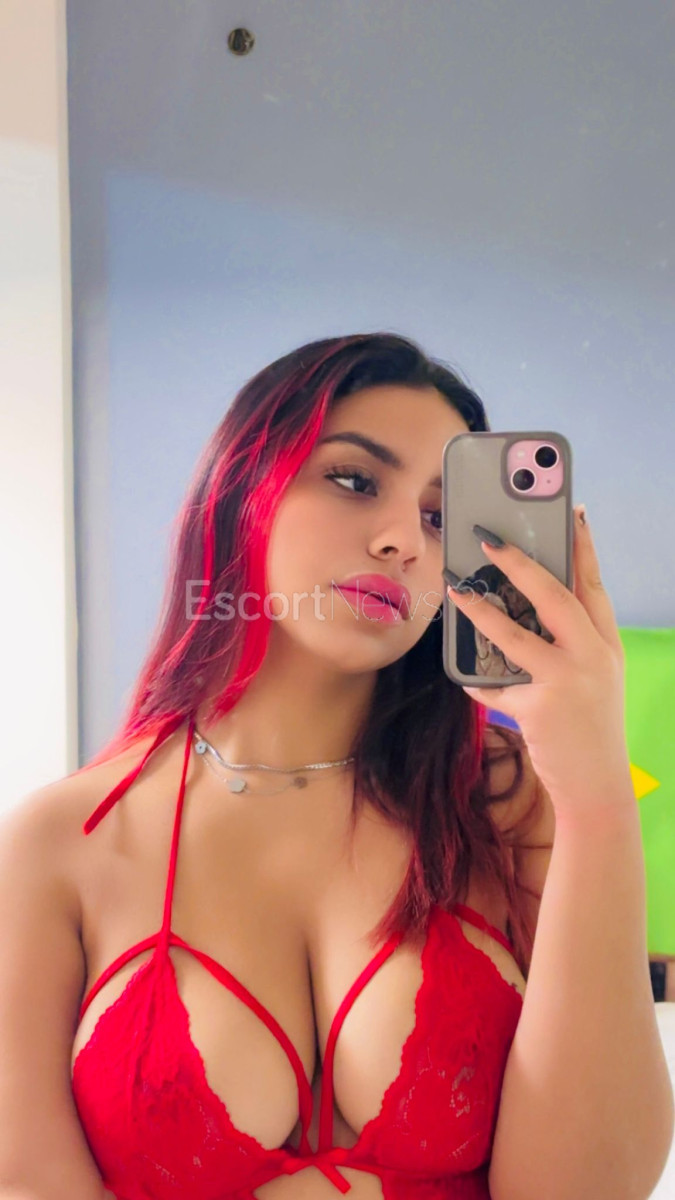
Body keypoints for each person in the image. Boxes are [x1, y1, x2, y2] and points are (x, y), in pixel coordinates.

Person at [0, 332, 670, 1200]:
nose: (402, 542)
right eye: (353, 480)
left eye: (440, 519)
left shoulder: (509, 799)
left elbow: (582, 1190)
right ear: (243, 488)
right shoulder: (60, 842)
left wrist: (595, 798)